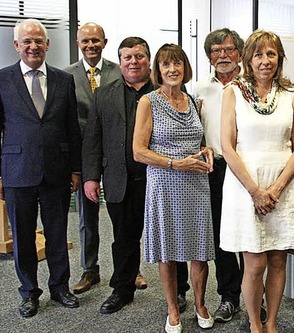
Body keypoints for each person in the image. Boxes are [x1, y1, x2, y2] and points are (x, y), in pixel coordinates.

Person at [219, 29, 294, 333]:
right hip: (246, 185)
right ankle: (255, 324)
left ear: (279, 58)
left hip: (283, 184)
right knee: (255, 263)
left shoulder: (291, 94)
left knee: (278, 260)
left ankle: (271, 323)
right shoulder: (232, 91)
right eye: (258, 54)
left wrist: (276, 188)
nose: (265, 60)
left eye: (271, 54)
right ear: (248, 59)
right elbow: (227, 146)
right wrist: (256, 191)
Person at [0, 18, 81, 318]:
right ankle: (29, 293)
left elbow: (72, 127)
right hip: (17, 170)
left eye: (39, 41)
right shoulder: (3, 79)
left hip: (56, 170)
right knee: (22, 236)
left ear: (48, 45)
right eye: (27, 41)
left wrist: (75, 169)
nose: (33, 46)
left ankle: (60, 287)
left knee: (57, 231)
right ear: (17, 45)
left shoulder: (63, 79)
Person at [132, 43, 216, 333]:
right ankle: (172, 310)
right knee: (167, 250)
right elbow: (139, 151)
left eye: (177, 63)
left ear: (185, 67)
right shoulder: (149, 102)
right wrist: (175, 163)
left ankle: (200, 303)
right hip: (165, 183)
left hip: (196, 183)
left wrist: (205, 150)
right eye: (166, 64)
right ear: (158, 69)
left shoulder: (192, 101)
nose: (172, 69)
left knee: (200, 250)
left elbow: (196, 139)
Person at [83, 37, 154, 315]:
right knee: (123, 238)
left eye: (139, 56)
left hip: (158, 181)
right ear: (120, 61)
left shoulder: (165, 92)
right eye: (128, 57)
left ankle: (180, 289)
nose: (133, 62)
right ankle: (122, 289)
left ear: (148, 60)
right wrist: (91, 176)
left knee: (168, 236)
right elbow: (93, 139)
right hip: (118, 180)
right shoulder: (104, 94)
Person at [192, 28, 245, 323]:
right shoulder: (199, 88)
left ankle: (255, 297)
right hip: (213, 168)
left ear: (239, 53)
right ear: (209, 56)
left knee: (250, 234)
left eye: (227, 49)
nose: (222, 55)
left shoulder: (251, 85)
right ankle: (229, 296)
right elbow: (193, 129)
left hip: (246, 169)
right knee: (222, 235)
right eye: (215, 51)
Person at [64, 22, 121, 294]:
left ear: (105, 42)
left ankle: (127, 269)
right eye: (85, 41)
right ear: (78, 44)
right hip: (84, 156)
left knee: (123, 213)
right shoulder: (66, 76)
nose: (91, 45)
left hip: (114, 153)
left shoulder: (119, 71)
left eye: (95, 40)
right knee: (87, 217)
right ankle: (90, 270)